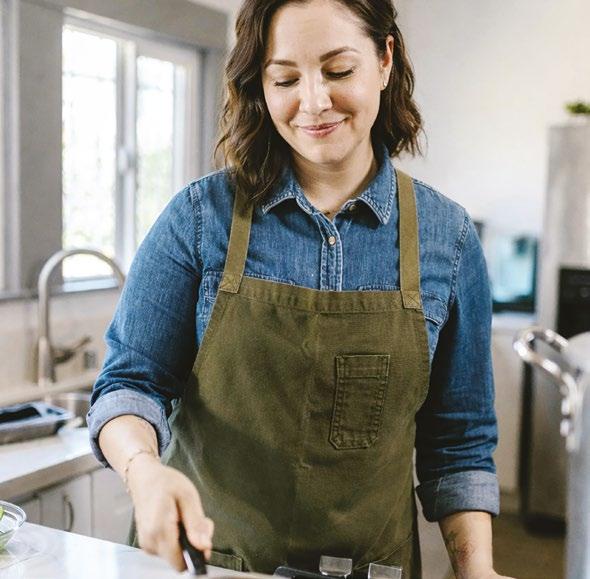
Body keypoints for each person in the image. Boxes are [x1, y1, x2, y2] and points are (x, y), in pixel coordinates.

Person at [87, 1, 513, 578]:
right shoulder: (199, 218)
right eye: (285, 79)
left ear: (385, 60)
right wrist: (144, 471)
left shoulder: (449, 238)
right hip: (209, 566)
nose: (313, 102)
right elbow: (129, 384)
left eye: (338, 71)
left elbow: (459, 440)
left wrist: (476, 569)